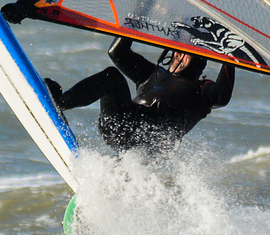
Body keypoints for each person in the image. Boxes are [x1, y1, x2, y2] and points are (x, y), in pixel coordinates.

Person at [45, 36, 234, 153]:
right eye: (178, 49)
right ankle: (60, 103)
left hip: (149, 143)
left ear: (200, 60)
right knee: (112, 76)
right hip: (119, 127)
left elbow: (221, 97)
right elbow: (117, 52)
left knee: (132, 161)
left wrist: (230, 56)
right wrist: (134, 19)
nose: (178, 54)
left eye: (187, 53)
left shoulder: (201, 90)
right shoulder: (153, 74)